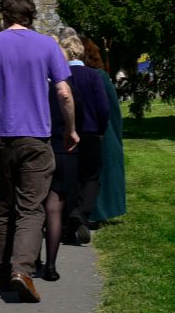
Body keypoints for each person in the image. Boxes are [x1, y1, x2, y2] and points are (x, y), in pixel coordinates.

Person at [0, 0, 76, 303]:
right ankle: (22, 269)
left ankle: (1, 270)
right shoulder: (48, 45)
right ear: (31, 16)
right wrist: (71, 129)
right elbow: (64, 93)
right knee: (30, 207)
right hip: (36, 138)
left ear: (4, 15)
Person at [43, 36, 110, 281]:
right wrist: (101, 127)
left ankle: (67, 222)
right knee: (91, 177)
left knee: (67, 183)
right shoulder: (94, 76)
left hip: (64, 134)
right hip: (90, 132)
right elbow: (103, 107)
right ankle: (80, 215)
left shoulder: (57, 79)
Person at [82, 37, 126, 222]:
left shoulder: (95, 77)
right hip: (101, 130)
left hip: (95, 129)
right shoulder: (100, 76)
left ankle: (94, 212)